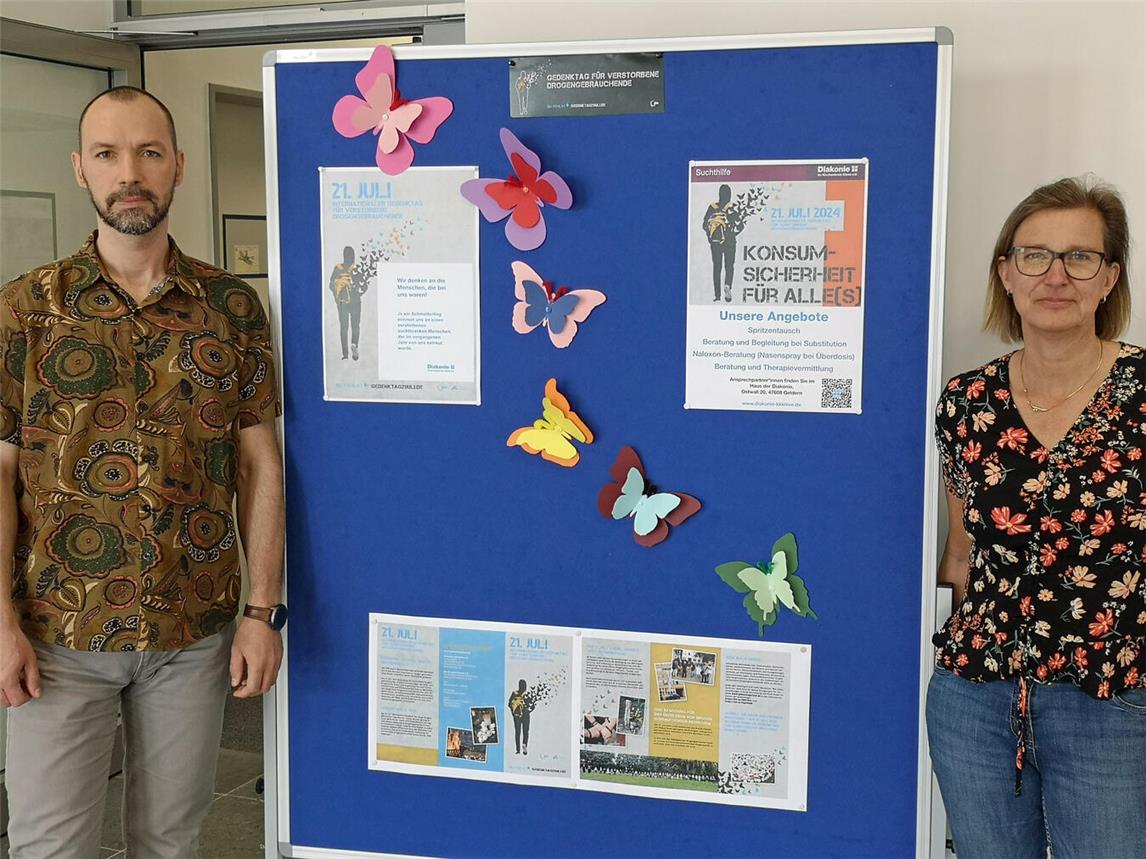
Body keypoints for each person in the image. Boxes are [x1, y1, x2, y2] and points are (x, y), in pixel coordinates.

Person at [0, 86, 286, 859]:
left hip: (191, 632)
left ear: (178, 167)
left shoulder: (231, 308)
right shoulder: (26, 308)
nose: (130, 172)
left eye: (149, 152)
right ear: (80, 169)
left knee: (170, 841)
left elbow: (261, 463)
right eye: (108, 153)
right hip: (57, 632)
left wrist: (262, 611)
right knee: (49, 845)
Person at [928, 176, 1146, 859]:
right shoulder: (967, 401)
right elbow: (961, 554)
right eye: (1035, 255)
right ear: (1006, 271)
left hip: (1111, 702)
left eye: (1080, 257)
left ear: (1109, 277)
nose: (1057, 275)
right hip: (976, 699)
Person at [702, 183, 744, 302]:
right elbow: (740, 226)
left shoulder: (712, 207)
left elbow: (704, 225)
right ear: (729, 195)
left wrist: (710, 236)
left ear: (719, 194)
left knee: (717, 267)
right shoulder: (733, 208)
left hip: (715, 242)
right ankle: (727, 285)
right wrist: (733, 233)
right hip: (730, 241)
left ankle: (717, 296)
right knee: (729, 266)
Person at [329, 244, 363, 361]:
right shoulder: (357, 268)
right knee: (355, 326)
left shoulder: (337, 268)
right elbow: (363, 286)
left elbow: (331, 285)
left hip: (342, 303)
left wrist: (336, 293)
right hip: (356, 302)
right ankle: (354, 344)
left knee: (344, 328)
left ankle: (345, 354)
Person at [508, 678, 534, 755]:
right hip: (526, 715)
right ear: (525, 686)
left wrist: (513, 713)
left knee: (517, 732)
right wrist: (528, 711)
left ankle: (517, 750)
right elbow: (533, 706)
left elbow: (509, 704)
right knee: (525, 731)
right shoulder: (527, 694)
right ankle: (524, 745)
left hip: (516, 716)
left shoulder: (514, 693)